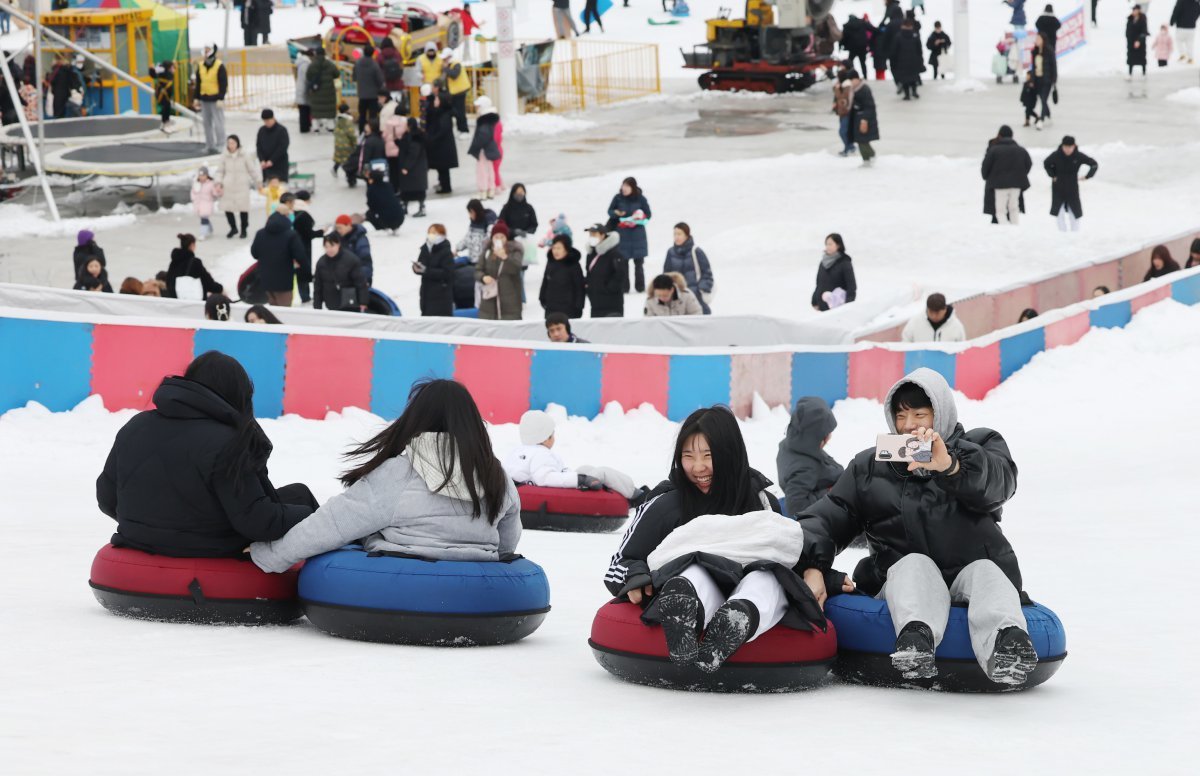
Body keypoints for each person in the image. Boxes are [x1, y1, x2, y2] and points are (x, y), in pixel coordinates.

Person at [798, 368, 1038, 686]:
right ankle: (915, 645)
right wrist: (813, 564)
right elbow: (826, 518)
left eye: (920, 414)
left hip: (968, 580)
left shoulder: (979, 445)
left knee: (987, 570)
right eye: (901, 415)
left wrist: (950, 464)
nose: (909, 425)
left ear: (940, 415)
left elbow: (999, 482)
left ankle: (1006, 648)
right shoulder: (869, 469)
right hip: (904, 584)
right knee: (914, 564)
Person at [603, 406, 829, 672]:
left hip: (747, 581)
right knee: (695, 570)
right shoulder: (667, 504)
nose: (698, 468)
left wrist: (820, 571)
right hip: (698, 582)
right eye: (688, 456)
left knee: (768, 576)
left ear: (730, 454)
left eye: (708, 456)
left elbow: (785, 549)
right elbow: (621, 560)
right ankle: (684, 610)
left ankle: (739, 616)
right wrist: (635, 575)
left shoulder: (760, 502)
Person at [250, 379, 521, 573]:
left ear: (417, 418)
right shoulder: (496, 474)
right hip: (477, 586)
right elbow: (507, 539)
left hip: (404, 580)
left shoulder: (399, 473)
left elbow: (333, 524)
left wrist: (272, 555)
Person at [98, 352, 317, 557]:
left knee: (296, 495)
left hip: (136, 541)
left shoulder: (135, 425)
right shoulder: (228, 440)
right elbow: (257, 522)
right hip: (205, 548)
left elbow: (107, 498)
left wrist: (151, 524)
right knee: (302, 498)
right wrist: (313, 516)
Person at [506, 410, 642, 501]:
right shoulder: (541, 454)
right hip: (564, 487)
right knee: (603, 472)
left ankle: (629, 491)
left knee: (585, 467)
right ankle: (635, 495)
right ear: (545, 437)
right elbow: (545, 478)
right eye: (552, 434)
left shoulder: (518, 451)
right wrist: (580, 480)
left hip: (546, 482)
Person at [777, 397, 844, 515]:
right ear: (814, 435)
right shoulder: (805, 467)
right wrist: (830, 492)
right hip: (824, 512)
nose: (830, 435)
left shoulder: (797, 444)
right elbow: (796, 507)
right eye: (826, 432)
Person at [250, 209, 305, 307]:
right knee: (284, 311)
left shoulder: (260, 233)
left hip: (266, 280)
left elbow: (254, 254)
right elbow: (300, 256)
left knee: (273, 309)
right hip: (284, 281)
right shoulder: (291, 235)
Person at [1044, 135, 1099, 232]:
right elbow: (1046, 163)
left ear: (1074, 146)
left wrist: (1087, 176)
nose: (1067, 150)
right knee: (1059, 212)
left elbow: (1094, 164)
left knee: (1074, 211)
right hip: (1058, 186)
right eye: (1065, 147)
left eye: (1070, 147)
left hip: (1072, 186)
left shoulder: (1078, 156)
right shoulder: (1056, 155)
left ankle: (1075, 234)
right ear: (1062, 146)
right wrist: (1052, 175)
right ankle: (1062, 234)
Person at [607, 177, 651, 293]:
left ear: (633, 187)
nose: (624, 188)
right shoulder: (618, 198)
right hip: (623, 234)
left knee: (639, 263)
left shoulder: (641, 199)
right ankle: (624, 287)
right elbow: (610, 211)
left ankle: (640, 287)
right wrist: (616, 213)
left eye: (627, 186)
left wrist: (639, 218)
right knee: (623, 263)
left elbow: (648, 214)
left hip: (638, 235)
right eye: (623, 186)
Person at [981, 125, 1032, 226]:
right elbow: (1028, 164)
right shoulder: (1020, 150)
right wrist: (1020, 175)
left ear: (1000, 135)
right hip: (1016, 184)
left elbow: (985, 166)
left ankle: (1005, 229)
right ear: (1012, 135)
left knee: (1000, 210)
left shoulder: (994, 150)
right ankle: (1014, 228)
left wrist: (987, 177)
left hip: (999, 185)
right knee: (1014, 208)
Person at [662, 222, 714, 315]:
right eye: (674, 234)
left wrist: (700, 290)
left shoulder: (696, 251)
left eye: (679, 234)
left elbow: (707, 273)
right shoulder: (670, 252)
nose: (676, 237)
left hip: (696, 295)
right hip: (676, 297)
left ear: (687, 235)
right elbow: (666, 274)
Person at [313, 233, 369, 312]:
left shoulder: (351, 260)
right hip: (331, 304)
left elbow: (361, 283)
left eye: (332, 246)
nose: (329, 250)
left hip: (351, 303)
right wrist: (317, 307)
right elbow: (318, 286)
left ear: (338, 244)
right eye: (326, 247)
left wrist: (363, 302)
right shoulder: (321, 263)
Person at [476, 232, 524, 320]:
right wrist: (483, 277)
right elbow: (478, 270)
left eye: (502, 237)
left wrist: (505, 257)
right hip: (489, 299)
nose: (499, 239)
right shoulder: (487, 252)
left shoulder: (515, 251)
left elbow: (516, 268)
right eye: (496, 237)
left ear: (506, 238)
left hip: (510, 300)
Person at [191, 43, 227, 153]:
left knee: (218, 123)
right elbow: (199, 83)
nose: (206, 52)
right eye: (205, 50)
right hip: (204, 99)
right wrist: (196, 98)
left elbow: (223, 83)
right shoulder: (201, 66)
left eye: (208, 50)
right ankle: (210, 145)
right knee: (206, 123)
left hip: (215, 100)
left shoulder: (219, 65)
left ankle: (221, 144)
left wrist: (221, 97)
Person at [540, 234, 585, 319]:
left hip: (568, 309)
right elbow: (545, 282)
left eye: (559, 248)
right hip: (551, 308)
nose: (555, 251)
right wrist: (542, 298)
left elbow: (579, 288)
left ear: (566, 249)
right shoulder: (551, 263)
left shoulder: (573, 264)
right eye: (554, 248)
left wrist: (579, 307)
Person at [166, 233, 223, 300]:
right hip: (194, 303)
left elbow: (168, 282)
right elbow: (208, 283)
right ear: (192, 245)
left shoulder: (173, 262)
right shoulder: (195, 262)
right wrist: (220, 288)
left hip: (176, 301)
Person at [584, 222, 625, 318]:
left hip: (612, 303)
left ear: (602, 235)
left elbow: (620, 275)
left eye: (594, 234)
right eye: (590, 235)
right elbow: (589, 273)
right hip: (595, 303)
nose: (591, 237)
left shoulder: (615, 254)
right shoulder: (591, 254)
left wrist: (607, 288)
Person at [415, 223, 456, 316]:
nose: (431, 235)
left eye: (433, 232)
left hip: (441, 295)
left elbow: (447, 273)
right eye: (429, 232)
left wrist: (426, 271)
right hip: (426, 292)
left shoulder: (446, 251)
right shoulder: (425, 248)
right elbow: (421, 263)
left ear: (441, 234)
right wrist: (416, 268)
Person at [425, 86, 459, 194]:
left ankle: (446, 187)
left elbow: (442, 131)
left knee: (443, 168)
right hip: (441, 146)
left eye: (437, 99)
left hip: (443, 147)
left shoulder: (444, 115)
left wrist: (431, 139)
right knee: (442, 168)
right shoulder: (438, 112)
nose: (435, 101)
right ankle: (443, 185)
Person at [811, 233, 857, 312]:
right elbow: (819, 284)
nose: (827, 247)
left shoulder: (845, 263)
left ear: (838, 245)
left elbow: (851, 286)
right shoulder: (823, 263)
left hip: (838, 308)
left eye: (830, 244)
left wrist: (848, 306)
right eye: (826, 244)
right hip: (822, 306)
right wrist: (814, 301)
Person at [468, 96, 502, 200]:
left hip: (483, 150)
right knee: (489, 169)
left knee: (482, 170)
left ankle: (483, 190)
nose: (477, 108)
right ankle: (490, 189)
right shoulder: (490, 119)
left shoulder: (484, 120)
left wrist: (476, 146)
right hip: (489, 149)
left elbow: (483, 135)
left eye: (478, 106)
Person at [396, 117, 429, 217]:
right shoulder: (414, 135)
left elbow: (413, 153)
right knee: (412, 189)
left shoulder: (414, 137)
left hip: (414, 168)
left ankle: (419, 207)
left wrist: (406, 166)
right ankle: (410, 207)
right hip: (416, 168)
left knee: (412, 189)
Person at [901, 292, 967, 342]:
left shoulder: (956, 326)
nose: (933, 316)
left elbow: (961, 351)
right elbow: (905, 343)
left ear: (945, 309)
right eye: (931, 312)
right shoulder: (915, 323)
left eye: (937, 313)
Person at [290, 191, 318, 304]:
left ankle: (302, 295)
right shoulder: (304, 214)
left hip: (293, 246)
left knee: (299, 270)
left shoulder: (291, 211)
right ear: (305, 200)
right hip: (303, 247)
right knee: (303, 270)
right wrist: (321, 232)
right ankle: (305, 296)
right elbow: (308, 233)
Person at [848, 70, 879, 167]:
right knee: (860, 140)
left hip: (864, 119)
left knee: (863, 140)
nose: (851, 82)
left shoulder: (864, 89)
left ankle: (870, 156)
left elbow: (869, 106)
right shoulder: (854, 89)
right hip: (858, 118)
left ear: (857, 79)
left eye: (852, 80)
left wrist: (864, 119)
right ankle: (867, 158)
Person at [889, 17, 925, 99]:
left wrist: (893, 61)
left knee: (905, 79)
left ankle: (907, 94)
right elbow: (919, 49)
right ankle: (914, 92)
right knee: (914, 77)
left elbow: (894, 50)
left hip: (902, 61)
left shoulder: (898, 36)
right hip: (914, 60)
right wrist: (920, 60)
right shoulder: (915, 35)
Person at [306, 47, 340, 133]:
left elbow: (308, 76)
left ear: (316, 54)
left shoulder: (312, 64)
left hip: (316, 91)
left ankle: (315, 127)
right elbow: (337, 74)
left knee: (316, 109)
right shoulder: (329, 64)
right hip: (329, 91)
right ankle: (330, 126)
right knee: (329, 109)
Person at [333, 214, 373, 284]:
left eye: (340, 228)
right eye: (337, 228)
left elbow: (366, 264)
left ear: (348, 225)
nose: (338, 231)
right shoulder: (337, 238)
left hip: (358, 280)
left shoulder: (360, 240)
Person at [365, 168, 405, 236]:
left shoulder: (371, 189)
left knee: (369, 214)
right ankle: (394, 227)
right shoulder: (388, 185)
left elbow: (371, 205)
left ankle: (384, 227)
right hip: (400, 217)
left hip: (386, 219)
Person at [353, 45, 384, 133]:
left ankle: (361, 131)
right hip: (373, 94)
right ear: (373, 53)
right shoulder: (374, 65)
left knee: (362, 115)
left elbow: (354, 77)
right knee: (373, 115)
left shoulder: (358, 63)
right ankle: (372, 131)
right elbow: (380, 80)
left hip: (362, 94)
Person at [457, 199, 496, 265]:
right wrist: (457, 248)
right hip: (472, 259)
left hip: (483, 262)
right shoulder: (473, 223)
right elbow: (467, 238)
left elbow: (488, 239)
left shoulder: (489, 222)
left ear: (476, 211)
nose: (470, 215)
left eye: (471, 212)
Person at [442, 48, 472, 135]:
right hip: (454, 92)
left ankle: (464, 130)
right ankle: (460, 129)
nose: (444, 60)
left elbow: (454, 75)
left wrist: (445, 69)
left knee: (460, 112)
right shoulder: (450, 65)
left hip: (460, 92)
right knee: (456, 111)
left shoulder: (456, 64)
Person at [1030, 34, 1057, 130]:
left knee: (1043, 99)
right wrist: (1032, 80)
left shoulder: (1049, 51)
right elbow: (1033, 67)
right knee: (1042, 98)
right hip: (1038, 79)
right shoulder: (1035, 51)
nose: (1036, 40)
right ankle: (1048, 114)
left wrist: (1054, 80)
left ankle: (1041, 119)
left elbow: (1053, 66)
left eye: (1038, 39)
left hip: (1047, 79)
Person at [256, 109, 289, 183]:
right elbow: (259, 146)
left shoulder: (281, 130)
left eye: (268, 120)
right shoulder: (262, 131)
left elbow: (283, 147)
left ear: (273, 118)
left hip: (279, 165)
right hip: (266, 167)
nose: (267, 123)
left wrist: (272, 160)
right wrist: (262, 160)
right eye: (265, 121)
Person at [833, 69, 856, 157]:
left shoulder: (846, 86)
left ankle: (850, 147)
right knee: (844, 131)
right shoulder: (844, 85)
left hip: (846, 112)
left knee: (843, 131)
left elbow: (842, 99)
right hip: (843, 112)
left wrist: (837, 89)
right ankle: (848, 147)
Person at [332, 103, 357, 183]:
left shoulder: (337, 119)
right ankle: (349, 176)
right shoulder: (348, 120)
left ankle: (334, 168)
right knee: (348, 161)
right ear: (346, 110)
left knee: (340, 158)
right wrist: (355, 143)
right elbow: (351, 134)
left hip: (338, 143)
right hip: (347, 144)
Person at [191, 166, 217, 240]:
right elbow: (193, 192)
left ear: (207, 175)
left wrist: (217, 192)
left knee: (204, 219)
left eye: (203, 175)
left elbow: (214, 193)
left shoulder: (210, 184)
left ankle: (203, 234)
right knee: (204, 218)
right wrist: (194, 199)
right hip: (198, 204)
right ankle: (210, 228)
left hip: (207, 204)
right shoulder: (196, 183)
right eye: (200, 175)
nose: (202, 177)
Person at [1171, 0, 1200, 64]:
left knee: (1178, 40)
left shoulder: (1181, 1)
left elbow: (1176, 11)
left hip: (1181, 26)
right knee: (1190, 43)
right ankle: (1190, 58)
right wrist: (1193, 20)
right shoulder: (1196, 2)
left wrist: (1172, 21)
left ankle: (1182, 54)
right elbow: (1198, 12)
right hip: (1191, 27)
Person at [1128, 5, 1151, 79]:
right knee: (1131, 58)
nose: (1134, 11)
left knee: (1141, 58)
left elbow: (1144, 31)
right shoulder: (1130, 18)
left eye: (1136, 10)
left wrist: (1139, 41)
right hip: (1131, 42)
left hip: (1140, 42)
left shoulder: (1142, 19)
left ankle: (1144, 73)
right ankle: (1130, 73)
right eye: (1133, 10)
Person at [150, 61, 175, 128]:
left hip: (165, 95)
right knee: (166, 107)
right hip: (163, 94)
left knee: (167, 107)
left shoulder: (164, 73)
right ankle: (165, 121)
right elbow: (154, 75)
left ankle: (166, 121)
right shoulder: (165, 74)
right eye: (172, 68)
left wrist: (152, 69)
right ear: (169, 68)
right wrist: (152, 69)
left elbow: (154, 75)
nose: (173, 69)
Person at [293, 49, 311, 134]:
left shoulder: (301, 63)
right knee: (304, 111)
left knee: (303, 110)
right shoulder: (305, 65)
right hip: (303, 91)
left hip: (300, 90)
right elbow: (306, 79)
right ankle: (304, 128)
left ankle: (305, 127)